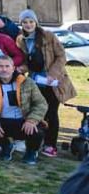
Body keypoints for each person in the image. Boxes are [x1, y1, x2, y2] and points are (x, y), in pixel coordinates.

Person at [16, 9, 75, 157]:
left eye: (31, 21)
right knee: (36, 111)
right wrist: (19, 69)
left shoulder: (48, 36)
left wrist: (52, 74)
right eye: (25, 22)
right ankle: (37, 141)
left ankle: (51, 145)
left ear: (36, 22)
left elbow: (61, 56)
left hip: (53, 81)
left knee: (51, 113)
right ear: (21, 24)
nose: (28, 25)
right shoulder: (20, 40)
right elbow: (26, 62)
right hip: (35, 81)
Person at [0, 52, 48, 164]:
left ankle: (31, 152)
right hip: (3, 121)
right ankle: (6, 146)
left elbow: (41, 103)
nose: (4, 69)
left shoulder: (27, 82)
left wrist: (32, 120)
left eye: (7, 66)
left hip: (24, 121)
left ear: (13, 68)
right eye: (0, 66)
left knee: (38, 129)